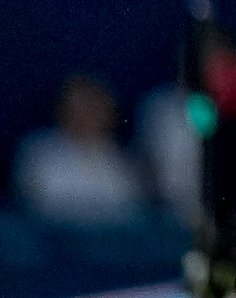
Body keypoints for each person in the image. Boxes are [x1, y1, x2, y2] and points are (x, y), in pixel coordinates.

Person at [15, 72, 148, 225]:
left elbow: (133, 214)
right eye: (81, 107)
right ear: (63, 110)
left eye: (96, 107)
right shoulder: (37, 152)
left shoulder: (126, 162)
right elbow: (33, 209)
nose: (89, 114)